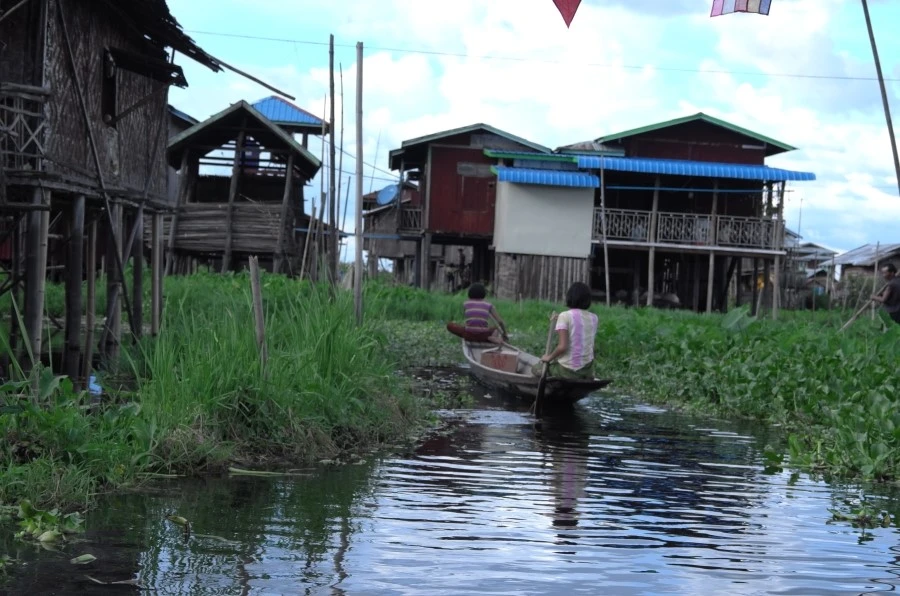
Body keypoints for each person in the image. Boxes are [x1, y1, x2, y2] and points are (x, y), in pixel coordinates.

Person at [533, 282, 598, 379]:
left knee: (536, 369)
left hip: (567, 371)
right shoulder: (594, 318)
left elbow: (562, 347)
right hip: (587, 371)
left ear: (570, 297)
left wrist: (549, 358)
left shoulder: (565, 316)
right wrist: (560, 317)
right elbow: (579, 321)